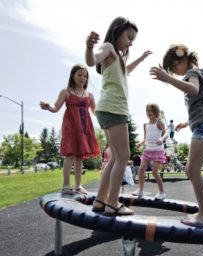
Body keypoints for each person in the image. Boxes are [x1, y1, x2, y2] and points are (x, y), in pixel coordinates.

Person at [85, 16, 152, 215]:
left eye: (133, 40)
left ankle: (100, 200)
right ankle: (112, 202)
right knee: (123, 156)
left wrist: (140, 58)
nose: (130, 42)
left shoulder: (118, 59)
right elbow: (91, 60)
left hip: (107, 109)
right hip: (114, 108)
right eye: (129, 37)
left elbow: (125, 71)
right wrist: (89, 46)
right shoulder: (108, 48)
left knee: (115, 157)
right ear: (117, 31)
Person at [150, 44, 203, 227]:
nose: (174, 72)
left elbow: (194, 90)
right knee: (193, 169)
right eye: (170, 71)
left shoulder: (192, 74)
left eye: (174, 67)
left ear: (183, 60)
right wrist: (190, 121)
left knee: (192, 170)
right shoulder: (200, 74)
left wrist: (168, 79)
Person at [40, 64, 100, 195]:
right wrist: (48, 106)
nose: (82, 78)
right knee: (70, 155)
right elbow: (55, 107)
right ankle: (66, 185)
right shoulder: (66, 92)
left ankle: (78, 186)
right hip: (71, 128)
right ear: (73, 76)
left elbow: (96, 112)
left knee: (80, 157)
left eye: (85, 76)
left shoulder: (90, 95)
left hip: (84, 129)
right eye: (79, 75)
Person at [132, 103, 169, 199]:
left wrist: (161, 139)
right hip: (147, 150)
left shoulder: (159, 122)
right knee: (141, 169)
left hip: (157, 150)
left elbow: (166, 134)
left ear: (155, 112)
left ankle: (162, 193)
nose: (149, 113)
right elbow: (145, 138)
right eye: (147, 111)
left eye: (151, 111)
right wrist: (140, 143)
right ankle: (140, 190)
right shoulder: (145, 125)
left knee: (155, 172)